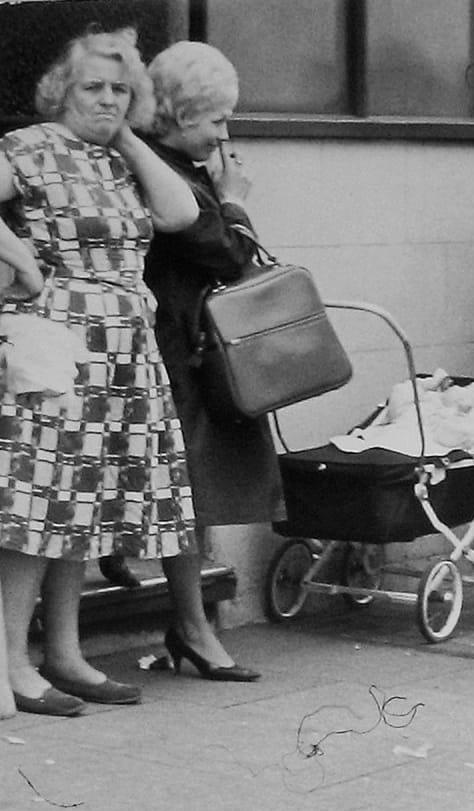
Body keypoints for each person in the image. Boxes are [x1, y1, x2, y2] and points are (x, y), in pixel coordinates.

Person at [0, 28, 200, 717]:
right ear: (61, 89)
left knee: (82, 507)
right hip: (59, 344)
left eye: (121, 89)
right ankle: (15, 665)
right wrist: (24, 265)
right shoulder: (30, 148)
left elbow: (181, 213)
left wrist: (127, 135)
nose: (107, 99)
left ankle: (65, 652)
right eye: (93, 87)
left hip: (123, 350)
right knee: (39, 506)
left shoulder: (115, 160)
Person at [141, 39, 271, 682]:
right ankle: (192, 625)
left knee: (188, 493)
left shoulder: (166, 165)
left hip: (178, 344)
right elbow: (226, 253)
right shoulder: (172, 175)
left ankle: (188, 620)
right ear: (180, 115)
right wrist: (236, 197)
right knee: (187, 492)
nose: (225, 133)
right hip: (178, 350)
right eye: (216, 120)